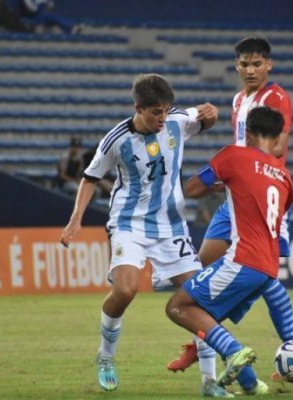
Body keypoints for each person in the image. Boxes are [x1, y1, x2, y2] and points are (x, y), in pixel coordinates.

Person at [58, 74, 226, 396]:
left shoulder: (178, 120)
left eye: (165, 110)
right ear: (138, 108)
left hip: (171, 225)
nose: (163, 118)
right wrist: (75, 219)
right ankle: (106, 357)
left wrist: (212, 114)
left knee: (198, 297)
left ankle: (209, 381)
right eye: (155, 113)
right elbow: (90, 177)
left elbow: (207, 119)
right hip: (129, 223)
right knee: (125, 289)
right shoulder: (116, 140)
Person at [168, 36, 293, 387]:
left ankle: (292, 347)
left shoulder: (276, 97)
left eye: (257, 64)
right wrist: (233, 178)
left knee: (263, 275)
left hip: (259, 192)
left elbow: (279, 144)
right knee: (203, 268)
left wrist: (250, 172)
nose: (250, 70)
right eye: (244, 64)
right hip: (235, 193)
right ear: (237, 66)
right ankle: (205, 339)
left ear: (268, 65)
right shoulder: (238, 99)